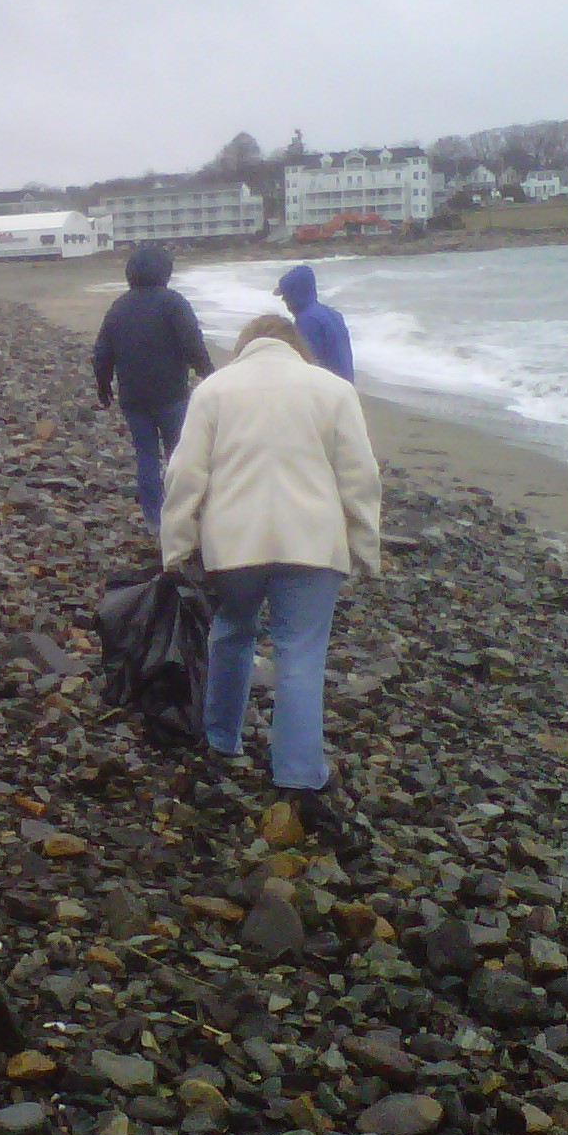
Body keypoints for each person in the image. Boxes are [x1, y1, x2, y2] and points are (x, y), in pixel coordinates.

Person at [159, 313, 381, 849]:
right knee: (300, 654)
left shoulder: (215, 389)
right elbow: (359, 474)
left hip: (233, 544)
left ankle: (222, 740)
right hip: (313, 542)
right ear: (296, 346)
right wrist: (365, 545)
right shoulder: (332, 389)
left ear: (244, 347)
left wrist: (177, 544)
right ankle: (298, 777)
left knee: (231, 630)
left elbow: (186, 472)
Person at [93, 246, 211, 533]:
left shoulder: (119, 306)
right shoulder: (173, 303)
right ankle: (185, 513)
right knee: (179, 454)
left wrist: (103, 384)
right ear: (165, 273)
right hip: (171, 395)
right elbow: (191, 343)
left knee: (145, 456)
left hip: (133, 397)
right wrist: (209, 375)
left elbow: (102, 351)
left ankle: (154, 519)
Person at [274, 264, 354, 381]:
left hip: (327, 387)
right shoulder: (333, 314)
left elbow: (308, 362)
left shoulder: (307, 320)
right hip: (346, 385)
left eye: (285, 294)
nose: (283, 299)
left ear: (294, 293)